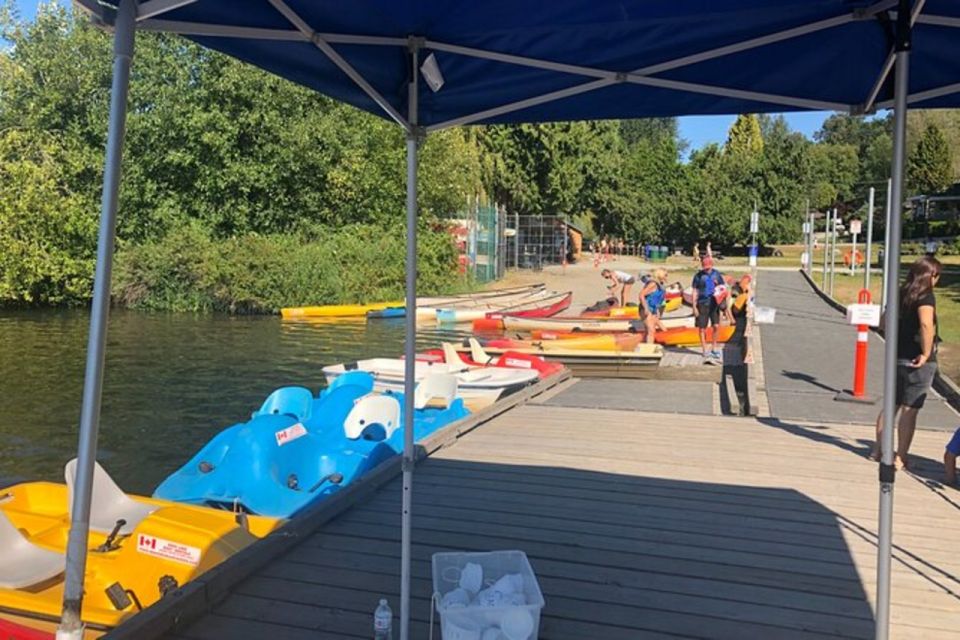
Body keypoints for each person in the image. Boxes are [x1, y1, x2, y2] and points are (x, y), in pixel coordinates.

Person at [871, 256, 942, 470]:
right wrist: (926, 352)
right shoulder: (926, 297)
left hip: (896, 356)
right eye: (937, 276)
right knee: (909, 410)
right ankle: (900, 457)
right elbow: (926, 324)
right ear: (930, 275)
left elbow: (883, 323)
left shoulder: (898, 294)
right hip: (917, 359)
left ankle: (878, 450)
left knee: (891, 405)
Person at [691, 256, 726, 361]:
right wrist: (694, 306)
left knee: (716, 326)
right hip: (702, 303)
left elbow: (723, 288)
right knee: (702, 328)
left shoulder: (717, 274)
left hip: (714, 303)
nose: (707, 269)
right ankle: (704, 349)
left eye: (708, 267)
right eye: (705, 267)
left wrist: (724, 305)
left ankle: (714, 347)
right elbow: (694, 290)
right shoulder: (698, 276)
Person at [639, 268, 669, 344]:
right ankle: (649, 350)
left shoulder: (660, 285)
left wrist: (657, 310)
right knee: (651, 330)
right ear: (660, 275)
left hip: (653, 309)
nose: (667, 276)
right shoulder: (653, 284)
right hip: (646, 309)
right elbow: (641, 295)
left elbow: (657, 300)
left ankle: (644, 345)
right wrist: (646, 308)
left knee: (649, 330)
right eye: (665, 275)